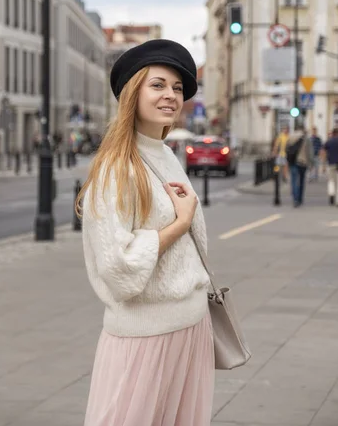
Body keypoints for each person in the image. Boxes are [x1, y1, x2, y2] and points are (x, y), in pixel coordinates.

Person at [77, 39, 214, 426]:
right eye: (158, 85)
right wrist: (179, 226)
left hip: (191, 327)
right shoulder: (116, 168)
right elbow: (118, 267)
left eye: (176, 88)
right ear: (132, 92)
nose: (170, 95)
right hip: (146, 337)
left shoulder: (164, 153)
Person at [286, 123, 314, 207]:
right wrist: (311, 163)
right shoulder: (306, 138)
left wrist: (288, 160)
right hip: (303, 162)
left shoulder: (291, 137)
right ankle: (300, 198)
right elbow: (310, 152)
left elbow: (287, 149)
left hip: (293, 162)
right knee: (301, 181)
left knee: (294, 180)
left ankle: (295, 199)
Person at [321, 127, 338, 207]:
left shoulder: (329, 141)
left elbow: (323, 151)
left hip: (331, 164)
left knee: (331, 181)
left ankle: (331, 193)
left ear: (332, 133)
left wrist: (323, 164)